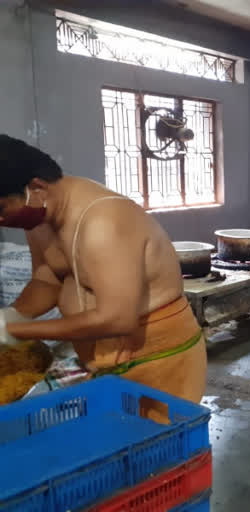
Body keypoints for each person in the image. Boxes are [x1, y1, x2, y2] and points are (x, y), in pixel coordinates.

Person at [0, 135, 207, 406]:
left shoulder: (103, 222)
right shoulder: (39, 220)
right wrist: (11, 315)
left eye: (1, 208)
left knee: (157, 441)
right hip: (99, 357)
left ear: (36, 188)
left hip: (155, 358)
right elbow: (47, 279)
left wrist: (17, 330)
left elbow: (117, 319)